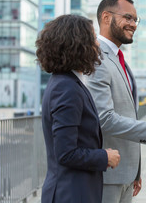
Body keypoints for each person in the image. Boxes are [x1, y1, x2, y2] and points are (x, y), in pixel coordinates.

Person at [85, 0, 146, 203]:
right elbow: (105, 119)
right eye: (127, 18)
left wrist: (135, 170)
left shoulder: (119, 59)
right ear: (105, 17)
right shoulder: (96, 58)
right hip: (106, 176)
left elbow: (127, 114)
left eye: (135, 20)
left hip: (126, 175)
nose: (133, 24)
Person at [36, 14, 120, 203]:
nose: (97, 45)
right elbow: (66, 153)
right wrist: (104, 156)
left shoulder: (65, 82)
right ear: (78, 45)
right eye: (93, 39)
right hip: (71, 194)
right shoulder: (67, 88)